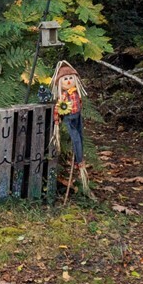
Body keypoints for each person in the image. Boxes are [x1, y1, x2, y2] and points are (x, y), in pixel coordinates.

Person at [52, 61, 90, 196]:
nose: (68, 81)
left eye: (70, 78)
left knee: (80, 136)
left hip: (77, 117)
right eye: (65, 79)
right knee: (75, 138)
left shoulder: (76, 93)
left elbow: (80, 103)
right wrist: (57, 122)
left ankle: (79, 162)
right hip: (68, 118)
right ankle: (79, 162)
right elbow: (58, 108)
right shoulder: (63, 96)